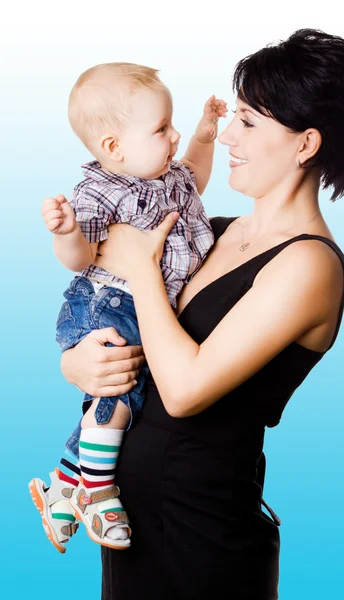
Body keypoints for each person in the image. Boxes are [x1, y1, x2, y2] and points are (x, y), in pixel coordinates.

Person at [57, 29, 344, 599]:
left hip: (204, 541)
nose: (226, 134)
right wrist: (80, 366)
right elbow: (135, 332)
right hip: (135, 528)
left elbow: (184, 390)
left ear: (306, 144)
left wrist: (139, 268)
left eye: (250, 122)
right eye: (233, 116)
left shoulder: (310, 264)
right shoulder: (212, 233)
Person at [29, 62, 228, 552]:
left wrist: (205, 134)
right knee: (120, 394)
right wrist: (66, 233)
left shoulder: (170, 173)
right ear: (114, 148)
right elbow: (80, 260)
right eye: (162, 129)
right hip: (108, 302)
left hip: (143, 301)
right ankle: (96, 491)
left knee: (127, 394)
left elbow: (197, 177)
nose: (175, 136)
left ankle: (63, 485)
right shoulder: (99, 192)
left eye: (175, 123)